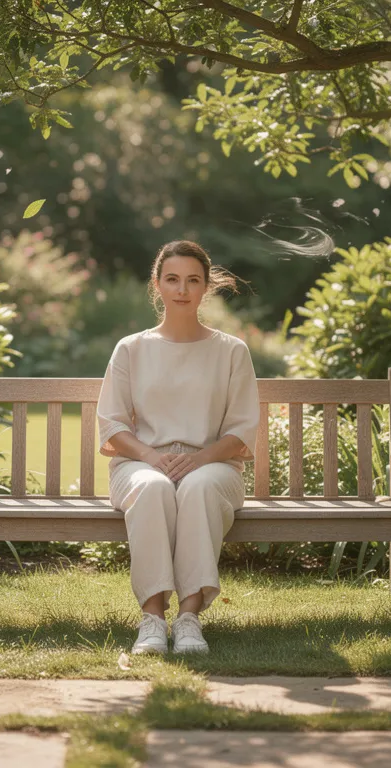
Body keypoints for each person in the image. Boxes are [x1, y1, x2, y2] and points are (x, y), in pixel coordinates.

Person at [95, 240, 260, 655]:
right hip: (141, 463)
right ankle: (151, 619)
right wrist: (153, 457)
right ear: (157, 284)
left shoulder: (231, 351)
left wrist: (199, 459)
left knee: (198, 486)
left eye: (192, 281)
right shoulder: (131, 349)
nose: (182, 289)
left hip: (215, 467)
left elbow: (241, 433)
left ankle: (188, 620)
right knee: (153, 487)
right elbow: (112, 425)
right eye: (172, 279)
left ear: (206, 288)